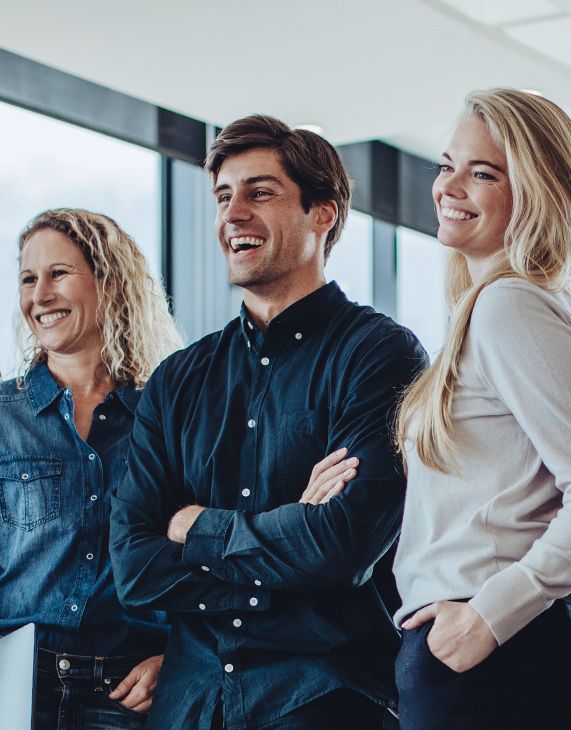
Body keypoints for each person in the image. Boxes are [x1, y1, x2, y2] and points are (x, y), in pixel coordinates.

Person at [109, 115, 428, 728]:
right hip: (190, 707)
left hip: (322, 700)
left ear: (323, 213)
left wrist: (194, 527)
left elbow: (340, 548)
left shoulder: (379, 355)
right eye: (223, 197)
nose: (233, 214)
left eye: (260, 193)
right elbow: (135, 567)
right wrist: (288, 540)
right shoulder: (177, 379)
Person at [0, 209, 184, 730]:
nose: (39, 295)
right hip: (12, 691)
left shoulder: (170, 417)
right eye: (27, 278)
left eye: (58, 274)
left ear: (110, 283)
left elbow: (203, 564)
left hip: (132, 699)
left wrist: (175, 657)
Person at [391, 89, 571, 730]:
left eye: (483, 173)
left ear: (533, 193)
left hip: (490, 648)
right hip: (467, 645)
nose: (449, 187)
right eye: (446, 165)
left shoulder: (510, 306)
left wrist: (490, 615)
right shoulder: (485, 308)